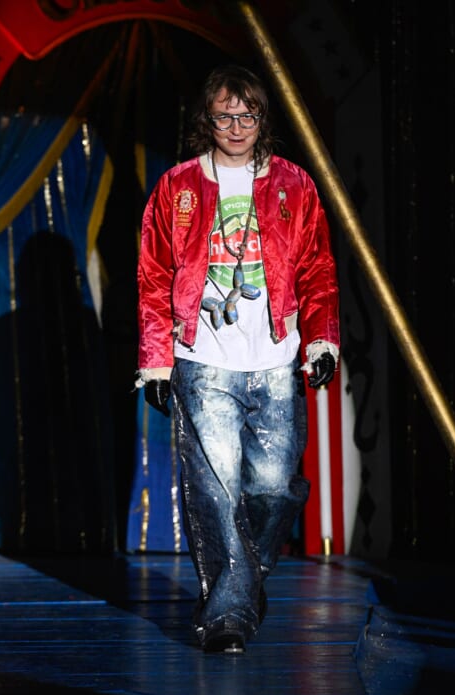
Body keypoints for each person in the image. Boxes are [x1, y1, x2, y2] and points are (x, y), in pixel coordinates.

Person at [135, 64, 340, 654]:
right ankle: (227, 616)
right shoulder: (177, 187)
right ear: (208, 118)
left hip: (275, 356)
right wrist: (157, 360)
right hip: (202, 358)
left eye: (246, 115)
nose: (236, 126)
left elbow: (317, 268)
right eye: (224, 115)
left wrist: (322, 339)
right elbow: (153, 276)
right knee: (217, 489)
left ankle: (242, 582)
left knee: (274, 486)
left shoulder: (294, 184)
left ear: (261, 118)